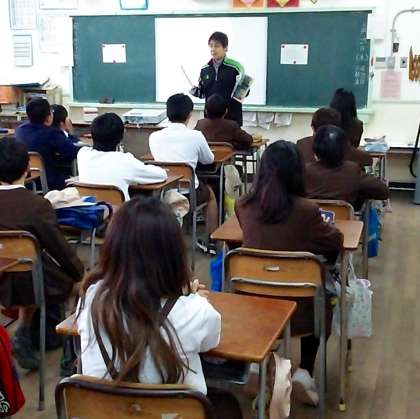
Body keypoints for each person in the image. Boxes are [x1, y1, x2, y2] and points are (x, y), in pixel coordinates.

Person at [76, 197, 243, 418]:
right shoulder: (196, 311)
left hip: (104, 412)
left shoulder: (91, 298)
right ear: (174, 253)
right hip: (174, 412)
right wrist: (188, 297)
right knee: (228, 405)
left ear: (112, 248)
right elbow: (211, 342)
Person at [235, 140, 343, 407]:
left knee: (267, 286)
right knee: (326, 293)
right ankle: (304, 372)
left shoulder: (243, 205)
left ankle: (257, 366)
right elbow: (335, 242)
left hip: (251, 303)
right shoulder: (307, 210)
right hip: (299, 310)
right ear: (298, 172)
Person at [0, 137, 84, 370]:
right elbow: (60, 249)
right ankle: (72, 354)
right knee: (83, 285)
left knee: (26, 268)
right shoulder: (36, 205)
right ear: (28, 168)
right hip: (30, 279)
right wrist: (80, 273)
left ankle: (23, 331)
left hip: (4, 277)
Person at [149, 94, 218, 247]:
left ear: (167, 113)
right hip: (189, 195)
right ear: (189, 114)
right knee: (210, 195)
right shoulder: (196, 136)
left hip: (162, 193)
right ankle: (212, 240)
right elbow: (209, 160)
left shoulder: (154, 136)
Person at [77, 113, 167, 201]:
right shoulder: (124, 161)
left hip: (88, 209)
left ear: (92, 135)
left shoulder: (82, 154)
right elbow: (161, 175)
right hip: (120, 211)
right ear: (121, 138)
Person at [305, 125, 389, 208]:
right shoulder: (351, 170)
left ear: (315, 149)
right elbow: (383, 192)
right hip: (344, 216)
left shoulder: (305, 170)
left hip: (308, 215)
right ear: (345, 150)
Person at [15, 98, 80, 190]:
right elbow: (72, 152)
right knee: (74, 179)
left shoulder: (20, 129)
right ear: (48, 117)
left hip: (27, 180)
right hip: (49, 181)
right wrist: (71, 133)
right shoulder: (51, 133)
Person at [191, 32, 245, 126]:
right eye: (211, 46)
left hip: (231, 118)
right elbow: (203, 93)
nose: (213, 49)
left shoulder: (236, 68)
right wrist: (196, 92)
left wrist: (243, 89)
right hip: (210, 119)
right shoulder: (205, 69)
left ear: (225, 48)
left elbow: (244, 92)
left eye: (217, 46)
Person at [297, 107, 373, 167]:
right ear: (338, 127)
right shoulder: (343, 145)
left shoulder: (302, 144)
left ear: (313, 127)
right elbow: (368, 160)